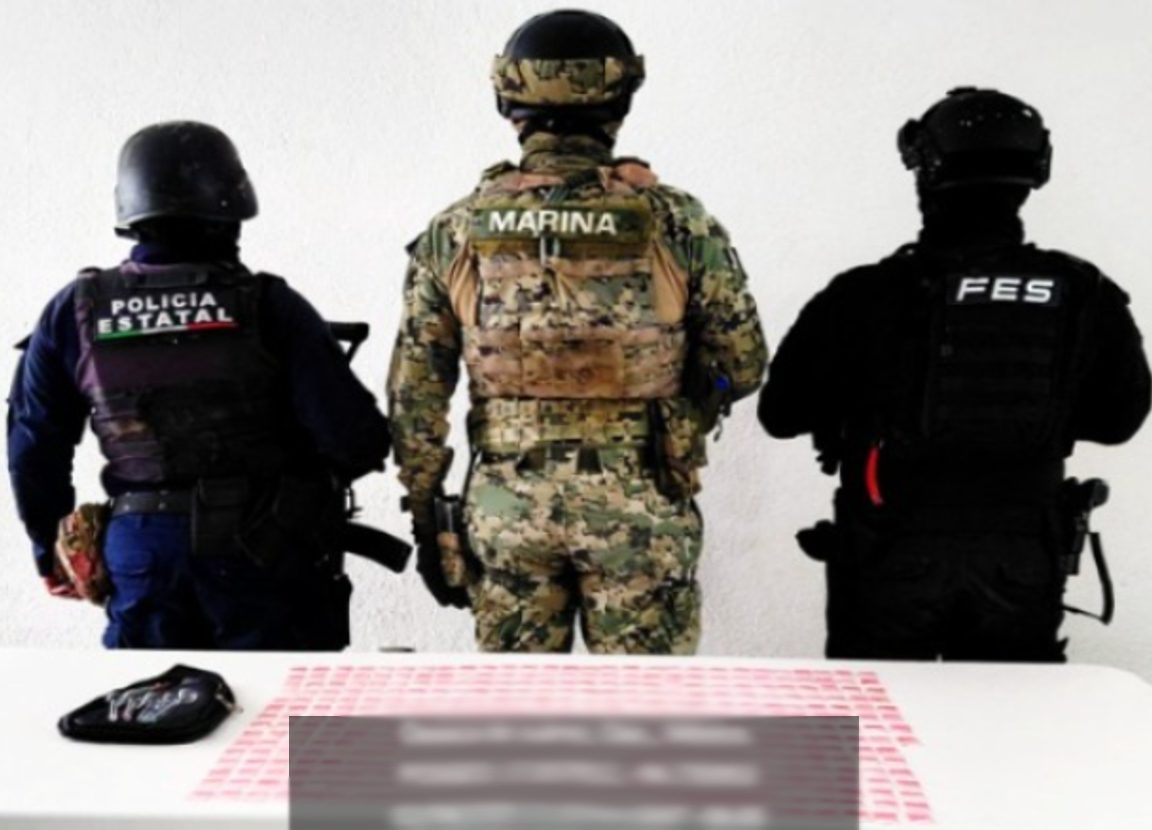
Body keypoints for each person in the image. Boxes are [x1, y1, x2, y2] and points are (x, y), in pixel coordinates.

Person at [388, 9, 767, 654]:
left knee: (519, 706)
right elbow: (744, 361)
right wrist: (689, 402)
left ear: (509, 101)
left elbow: (415, 395)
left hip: (507, 508)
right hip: (641, 506)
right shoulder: (675, 221)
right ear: (620, 101)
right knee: (646, 706)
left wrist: (429, 519)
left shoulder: (456, 230)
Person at [759, 87, 1151, 662]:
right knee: (1006, 715)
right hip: (1021, 556)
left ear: (926, 170)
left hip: (889, 549)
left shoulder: (864, 294)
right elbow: (1118, 422)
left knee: (880, 712)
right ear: (1034, 171)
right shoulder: (1085, 292)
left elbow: (780, 415)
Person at [7, 121, 392, 650]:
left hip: (142, 550)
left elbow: (33, 446)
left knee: (148, 697)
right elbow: (356, 439)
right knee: (280, 700)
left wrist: (49, 549)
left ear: (131, 214)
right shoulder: (270, 305)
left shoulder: (74, 310)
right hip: (265, 546)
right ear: (232, 210)